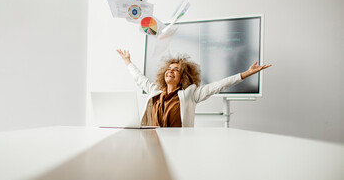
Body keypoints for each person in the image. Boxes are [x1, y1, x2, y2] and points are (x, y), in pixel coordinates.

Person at [116, 49, 272, 127]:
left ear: (183, 77)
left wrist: (245, 73)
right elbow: (139, 78)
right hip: (152, 143)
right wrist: (127, 62)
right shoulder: (155, 91)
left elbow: (218, 86)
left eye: (176, 69)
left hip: (178, 147)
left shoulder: (191, 94)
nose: (170, 71)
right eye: (169, 68)